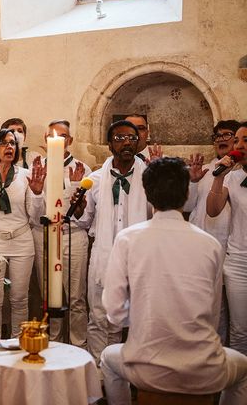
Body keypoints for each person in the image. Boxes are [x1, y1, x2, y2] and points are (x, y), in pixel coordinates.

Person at [101, 157, 247, 405]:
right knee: (243, 369)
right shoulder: (209, 244)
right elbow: (212, 316)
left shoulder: (128, 239)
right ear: (186, 191)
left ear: (148, 194)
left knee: (107, 359)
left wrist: (143, 317)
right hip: (202, 365)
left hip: (146, 365)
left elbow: (113, 312)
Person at [72, 120, 150, 365]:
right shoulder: (93, 180)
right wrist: (80, 209)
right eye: (119, 138)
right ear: (109, 144)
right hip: (104, 255)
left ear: (138, 142)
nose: (126, 142)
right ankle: (99, 371)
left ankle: (123, 370)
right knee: (98, 316)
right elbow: (84, 222)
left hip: (138, 256)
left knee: (132, 318)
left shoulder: (150, 177)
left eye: (131, 138)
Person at [0, 128, 44, 343]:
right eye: (4, 143)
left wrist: (38, 193)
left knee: (19, 299)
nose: (9, 147)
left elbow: (35, 215)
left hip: (22, 240)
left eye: (13, 143)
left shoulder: (26, 175)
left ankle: (17, 344)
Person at [32, 120, 91, 348]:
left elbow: (86, 215)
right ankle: (53, 342)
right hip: (44, 234)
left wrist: (75, 191)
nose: (59, 140)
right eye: (53, 136)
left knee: (76, 295)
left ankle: (79, 344)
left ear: (70, 141)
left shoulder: (82, 169)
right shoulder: (37, 167)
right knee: (49, 294)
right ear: (46, 142)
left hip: (72, 234)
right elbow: (33, 212)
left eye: (63, 136)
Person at [184, 119, 241, 343]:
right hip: (203, 248)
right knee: (208, 307)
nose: (220, 139)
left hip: (232, 249)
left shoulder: (240, 173)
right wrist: (192, 181)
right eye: (217, 136)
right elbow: (188, 208)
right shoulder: (208, 169)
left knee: (232, 311)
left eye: (227, 135)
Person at [207, 121, 247, 357]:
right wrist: (219, 176)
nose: (239, 145)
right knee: (240, 330)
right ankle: (241, 390)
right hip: (239, 262)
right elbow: (212, 210)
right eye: (237, 141)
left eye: (246, 140)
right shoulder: (233, 178)